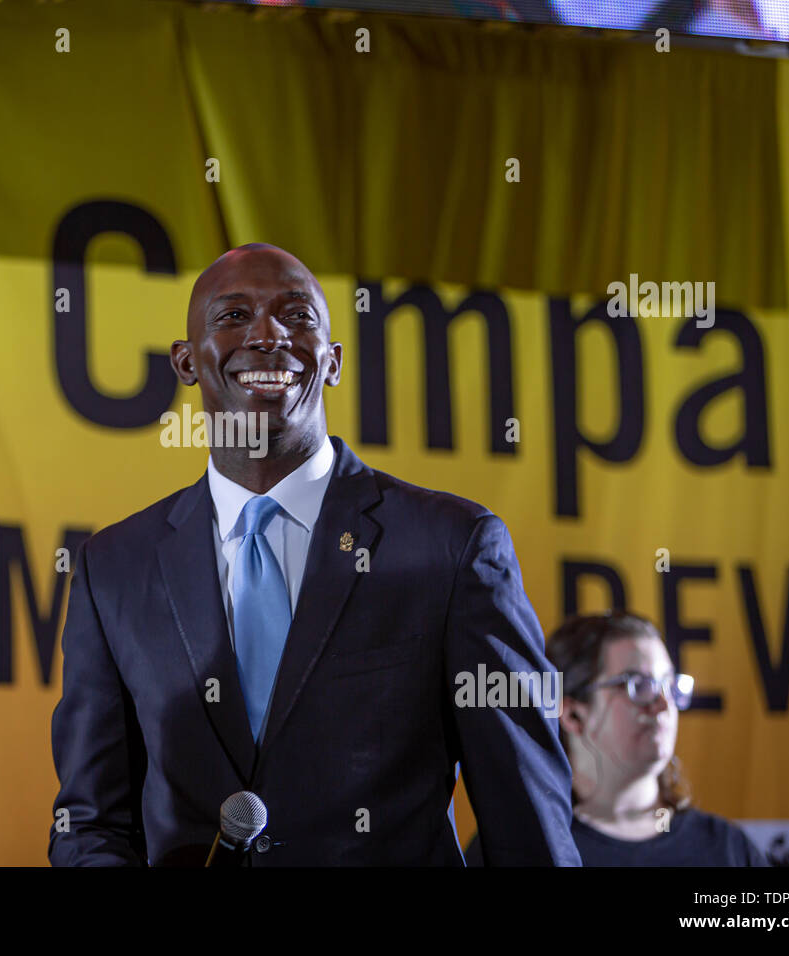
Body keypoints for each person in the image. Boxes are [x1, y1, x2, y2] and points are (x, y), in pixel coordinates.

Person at [48, 243, 580, 866]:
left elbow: (526, 815)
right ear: (186, 361)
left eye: (297, 316)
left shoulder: (452, 545)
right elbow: (90, 822)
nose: (268, 334)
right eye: (233, 315)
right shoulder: (115, 567)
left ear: (333, 362)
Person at [466, 611, 768, 865]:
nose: (664, 705)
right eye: (639, 685)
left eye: (669, 684)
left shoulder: (727, 850)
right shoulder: (515, 849)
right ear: (572, 715)